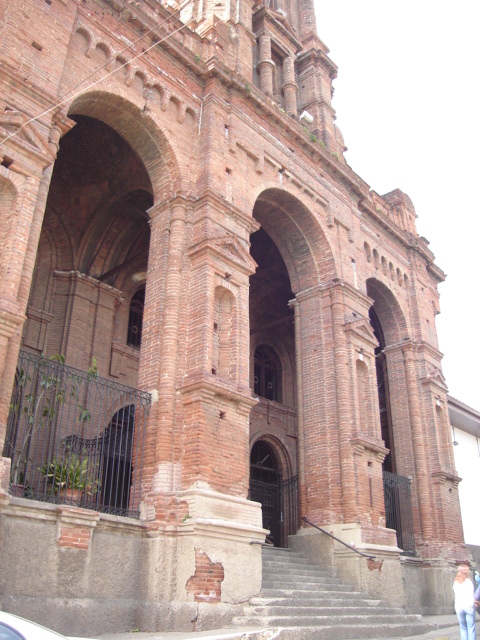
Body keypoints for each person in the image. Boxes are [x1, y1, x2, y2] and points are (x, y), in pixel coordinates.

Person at [453, 564, 476, 640]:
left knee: (463, 628)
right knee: (471, 628)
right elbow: (472, 594)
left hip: (459, 606)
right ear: (466, 572)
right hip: (469, 605)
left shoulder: (456, 582)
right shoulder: (468, 581)